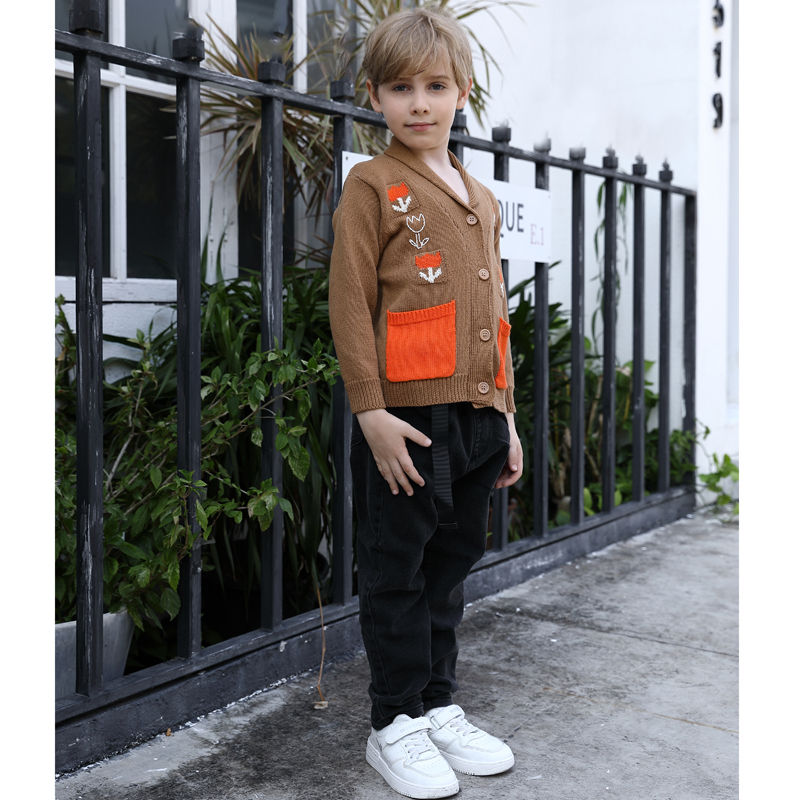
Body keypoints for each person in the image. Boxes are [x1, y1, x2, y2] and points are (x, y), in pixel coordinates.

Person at [328, 7, 524, 798]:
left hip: (477, 420)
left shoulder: (480, 195)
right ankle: (394, 722)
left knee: (449, 568)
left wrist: (506, 416)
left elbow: (496, 310)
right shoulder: (372, 186)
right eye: (401, 88)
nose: (419, 103)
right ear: (374, 96)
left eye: (435, 86)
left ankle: (438, 705)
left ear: (462, 92)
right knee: (396, 572)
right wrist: (371, 412)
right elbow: (350, 301)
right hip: (405, 422)